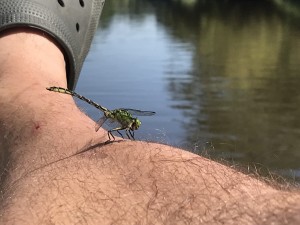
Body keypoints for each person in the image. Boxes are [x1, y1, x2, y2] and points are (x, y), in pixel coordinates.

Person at [0, 1, 299, 224]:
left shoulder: (126, 121)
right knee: (105, 134)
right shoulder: (120, 119)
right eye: (134, 122)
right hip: (106, 115)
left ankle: (21, 93)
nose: (135, 124)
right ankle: (35, 98)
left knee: (98, 139)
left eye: (134, 122)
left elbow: (124, 129)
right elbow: (121, 128)